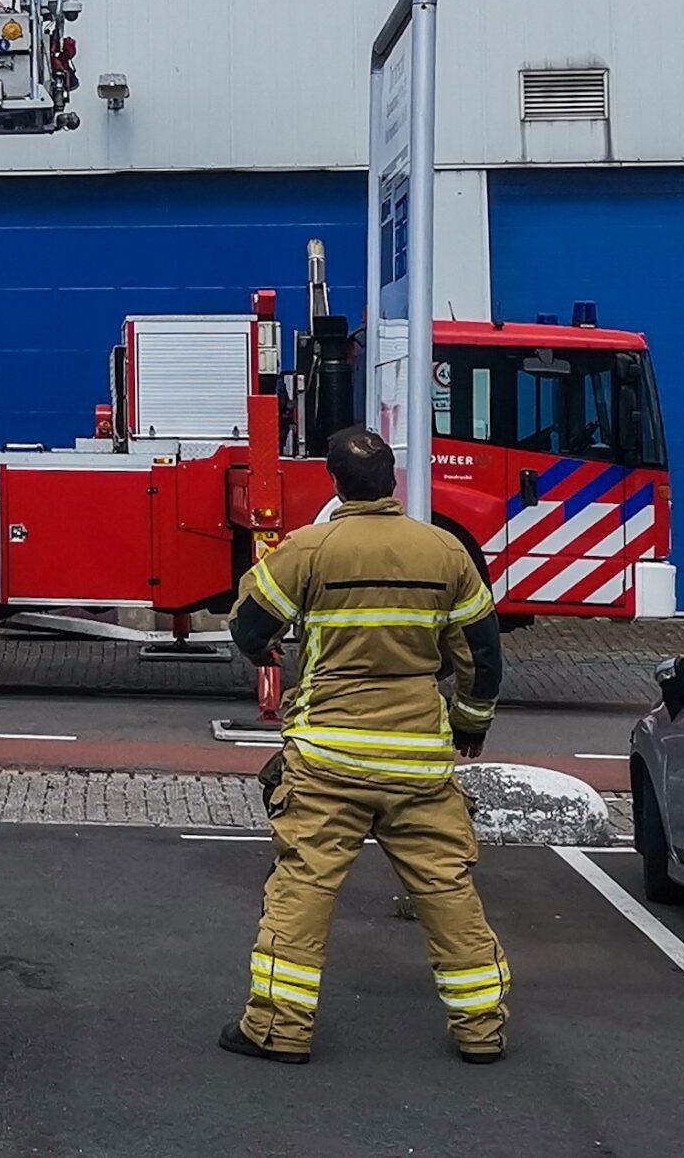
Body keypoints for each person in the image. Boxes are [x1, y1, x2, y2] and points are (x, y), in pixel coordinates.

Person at [220, 424, 510, 1065]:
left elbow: (247, 627)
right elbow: (483, 655)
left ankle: (278, 1031)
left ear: (334, 483)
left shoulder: (309, 549)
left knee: (304, 889)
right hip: (417, 761)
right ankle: (481, 1031)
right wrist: (470, 723)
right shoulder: (444, 553)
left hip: (327, 760)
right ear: (393, 483)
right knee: (447, 890)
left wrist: (267, 650)